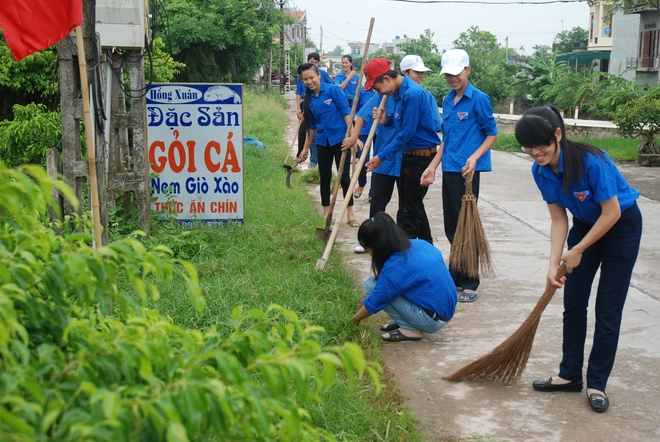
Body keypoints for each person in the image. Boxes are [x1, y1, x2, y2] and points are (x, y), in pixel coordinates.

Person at [514, 105, 642, 413]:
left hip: (620, 226)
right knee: (573, 303)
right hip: (585, 226)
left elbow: (611, 213)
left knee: (607, 309)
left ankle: (597, 382)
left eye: (539, 145)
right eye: (528, 147)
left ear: (557, 135)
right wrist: (554, 261)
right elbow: (559, 220)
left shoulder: (591, 162)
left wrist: (578, 250)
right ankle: (569, 374)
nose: (534, 152)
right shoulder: (540, 170)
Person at [420, 49, 498, 303]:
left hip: (468, 174)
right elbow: (448, 139)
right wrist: (432, 166)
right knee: (452, 226)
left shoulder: (479, 99)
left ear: (468, 70)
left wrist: (475, 158)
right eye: (448, 75)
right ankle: (456, 274)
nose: (453, 79)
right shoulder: (448, 99)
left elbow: (492, 134)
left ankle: (471, 281)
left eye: (456, 73)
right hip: (449, 169)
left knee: (467, 226)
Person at [363, 58, 442, 244]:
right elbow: (401, 124)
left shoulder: (412, 94)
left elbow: (406, 133)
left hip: (420, 158)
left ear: (387, 79)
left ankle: (406, 253)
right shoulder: (398, 94)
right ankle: (426, 247)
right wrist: (387, 120)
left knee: (409, 213)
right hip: (409, 156)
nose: (378, 92)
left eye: (377, 88)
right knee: (413, 207)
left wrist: (381, 156)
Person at [352, 213, 456, 341]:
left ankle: (411, 329)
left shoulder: (395, 267)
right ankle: (408, 321)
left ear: (378, 246)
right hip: (444, 311)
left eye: (368, 250)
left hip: (432, 320)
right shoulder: (420, 244)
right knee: (384, 285)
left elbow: (376, 301)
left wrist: (353, 320)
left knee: (371, 285)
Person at [296, 63, 358, 226]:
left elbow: (346, 113)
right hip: (323, 142)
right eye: (305, 79)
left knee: (344, 178)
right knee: (325, 177)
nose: (309, 81)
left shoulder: (333, 90)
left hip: (340, 140)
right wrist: (305, 149)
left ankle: (350, 215)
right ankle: (326, 213)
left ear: (319, 75)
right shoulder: (308, 100)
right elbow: (311, 128)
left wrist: (352, 137)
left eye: (311, 77)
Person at [295, 52, 333, 168]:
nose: (309, 81)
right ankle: (300, 155)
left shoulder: (322, 74)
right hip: (305, 105)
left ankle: (313, 161)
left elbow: (329, 88)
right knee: (303, 133)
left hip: (318, 105)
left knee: (314, 134)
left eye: (315, 62)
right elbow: (298, 92)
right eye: (311, 62)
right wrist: (299, 108)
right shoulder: (301, 75)